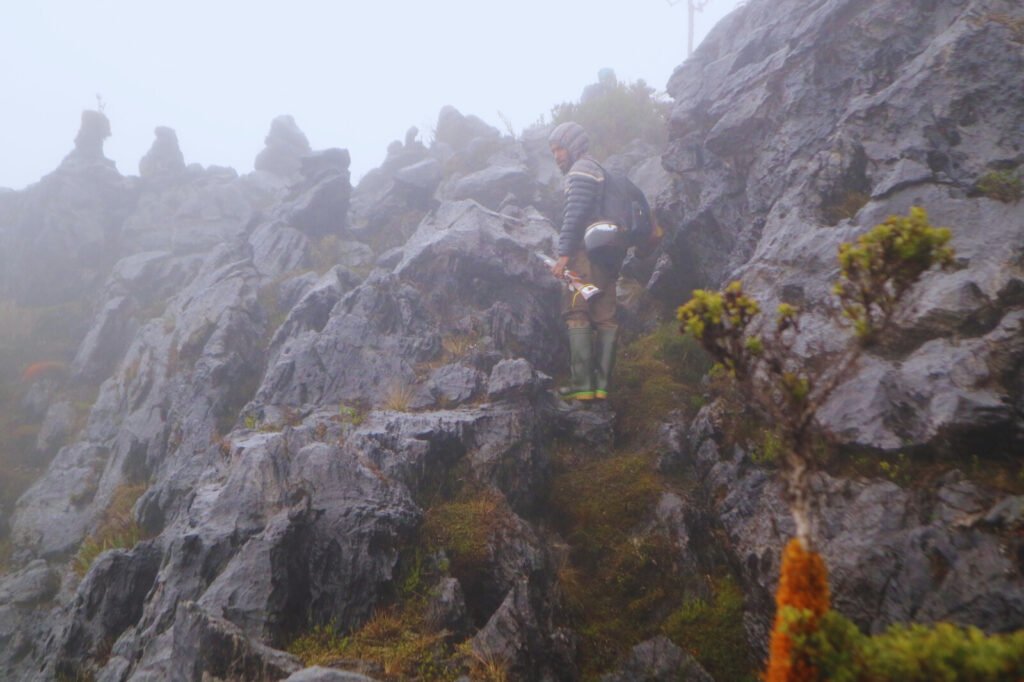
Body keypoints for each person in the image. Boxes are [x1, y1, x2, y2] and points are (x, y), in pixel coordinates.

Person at [548, 121, 623, 402]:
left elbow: (575, 214)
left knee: (576, 312)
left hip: (584, 255)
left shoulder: (580, 170)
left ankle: (582, 386)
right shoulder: (599, 170)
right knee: (605, 317)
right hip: (607, 255)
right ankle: (602, 386)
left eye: (560, 149)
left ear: (573, 145)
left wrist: (563, 256)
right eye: (553, 151)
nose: (557, 156)